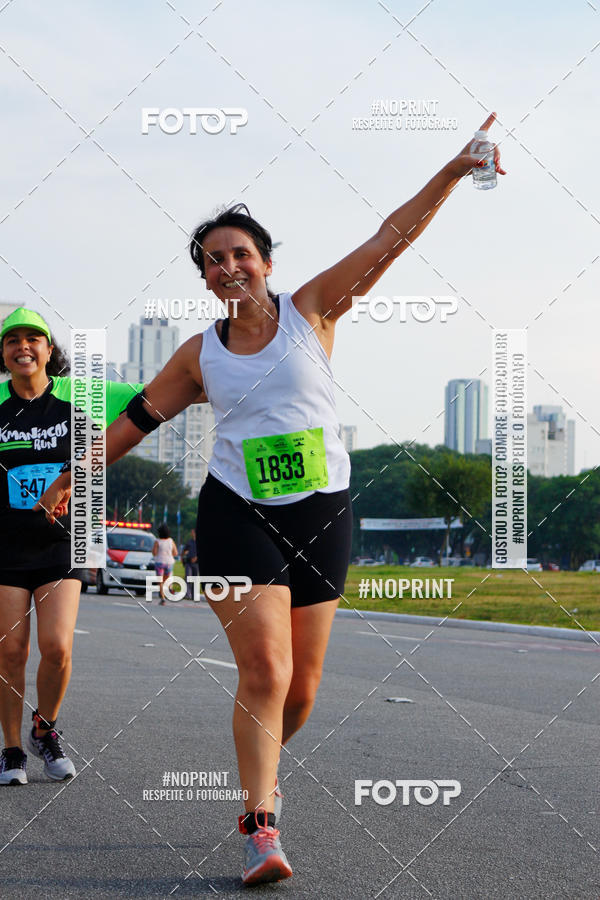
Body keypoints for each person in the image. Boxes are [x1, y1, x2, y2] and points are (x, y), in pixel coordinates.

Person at [38, 117, 504, 883]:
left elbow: (390, 239)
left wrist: (451, 174)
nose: (229, 267)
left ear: (265, 263)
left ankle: (265, 774)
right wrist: (74, 474)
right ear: (206, 277)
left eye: (240, 254)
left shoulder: (313, 308)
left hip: (322, 510)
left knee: (303, 688)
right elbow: (136, 420)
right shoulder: (200, 353)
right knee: (265, 669)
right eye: (214, 260)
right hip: (236, 512)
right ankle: (261, 826)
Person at [0, 307, 143, 786]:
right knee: (11, 653)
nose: (22, 346)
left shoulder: (83, 395)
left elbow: (159, 396)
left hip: (64, 541)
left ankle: (45, 728)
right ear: (3, 353)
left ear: (48, 349)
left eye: (32, 338)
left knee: (56, 646)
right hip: (5, 544)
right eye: (12, 340)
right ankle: (12, 750)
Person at [153, 523, 179, 604]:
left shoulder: (157, 541)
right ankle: (168, 588)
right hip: (169, 562)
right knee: (166, 579)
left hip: (159, 562)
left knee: (160, 581)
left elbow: (154, 553)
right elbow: (175, 553)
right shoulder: (171, 541)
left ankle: (163, 598)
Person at [181, 528, 199, 599]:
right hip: (188, 562)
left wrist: (196, 558)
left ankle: (194, 595)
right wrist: (182, 556)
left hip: (196, 563)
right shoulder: (189, 542)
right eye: (191, 532)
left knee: (195, 579)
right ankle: (187, 594)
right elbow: (185, 550)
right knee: (188, 578)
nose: (191, 534)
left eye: (193, 532)